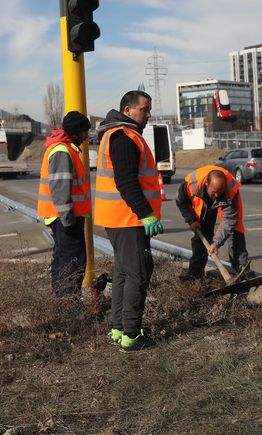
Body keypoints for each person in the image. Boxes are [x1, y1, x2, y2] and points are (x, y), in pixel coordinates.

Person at [94, 90, 163, 353]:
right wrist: (145, 213)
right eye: (144, 109)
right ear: (128, 110)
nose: (148, 114)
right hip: (128, 218)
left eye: (149, 109)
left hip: (119, 217)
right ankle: (132, 335)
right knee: (138, 273)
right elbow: (126, 182)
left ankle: (120, 329)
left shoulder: (118, 135)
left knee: (123, 273)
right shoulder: (123, 137)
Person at [37, 111, 93, 300]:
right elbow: (60, 189)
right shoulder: (62, 150)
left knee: (64, 261)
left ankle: (64, 307)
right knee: (72, 264)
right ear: (76, 132)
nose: (86, 136)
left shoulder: (64, 148)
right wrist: (68, 220)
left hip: (64, 217)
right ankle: (70, 311)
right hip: (66, 219)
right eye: (85, 132)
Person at [175, 165, 249, 280]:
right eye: (214, 192)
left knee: (235, 229)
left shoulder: (231, 189)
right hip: (204, 204)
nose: (217, 196)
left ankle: (242, 270)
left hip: (227, 201)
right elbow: (180, 200)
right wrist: (191, 220)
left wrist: (216, 243)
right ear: (206, 184)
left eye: (219, 192)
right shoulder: (192, 184)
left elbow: (229, 221)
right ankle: (195, 274)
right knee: (202, 234)